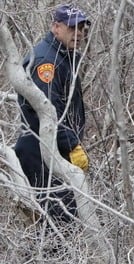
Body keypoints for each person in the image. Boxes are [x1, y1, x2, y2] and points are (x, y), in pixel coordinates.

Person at [15, 4, 91, 225]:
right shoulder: (47, 62)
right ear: (56, 27)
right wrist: (72, 145)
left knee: (63, 221)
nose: (78, 33)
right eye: (71, 28)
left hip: (53, 150)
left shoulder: (65, 55)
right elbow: (48, 110)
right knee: (58, 224)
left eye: (81, 28)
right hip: (41, 151)